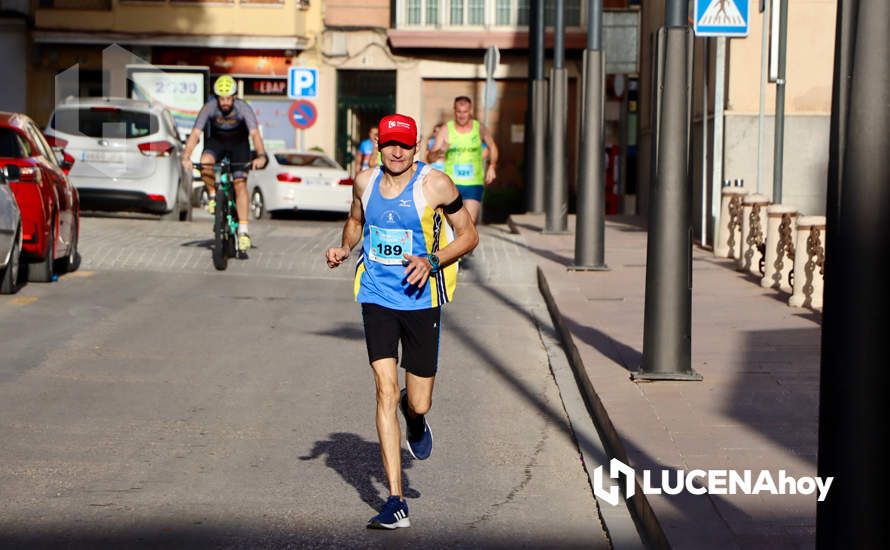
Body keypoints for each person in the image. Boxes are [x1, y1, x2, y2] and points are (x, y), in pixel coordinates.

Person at [325, 114, 478, 529]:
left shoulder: (436, 185)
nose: (397, 152)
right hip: (376, 295)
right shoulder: (365, 182)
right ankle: (395, 500)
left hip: (422, 299)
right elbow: (356, 221)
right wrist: (343, 247)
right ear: (379, 145)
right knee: (384, 390)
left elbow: (468, 236)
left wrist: (431, 260)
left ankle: (417, 418)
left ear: (416, 149)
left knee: (417, 400)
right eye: (390, 144)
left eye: (405, 146)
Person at [182, 75, 268, 252]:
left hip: (240, 145)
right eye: (222, 98)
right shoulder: (209, 107)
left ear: (234, 96)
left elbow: (255, 135)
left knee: (240, 184)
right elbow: (196, 133)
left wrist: (261, 156)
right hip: (218, 143)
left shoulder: (243, 108)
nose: (226, 102)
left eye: (229, 98)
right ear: (217, 97)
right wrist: (186, 156)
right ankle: (213, 196)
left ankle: (243, 232)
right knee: (205, 161)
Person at [429, 96, 498, 226]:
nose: (462, 115)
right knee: (450, 226)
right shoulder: (446, 129)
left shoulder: (479, 128)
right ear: (454, 111)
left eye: (465, 112)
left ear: (470, 111)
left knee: (470, 224)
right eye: (459, 111)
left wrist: (492, 166)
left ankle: (464, 246)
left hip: (473, 183)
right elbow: (430, 158)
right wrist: (440, 151)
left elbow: (492, 147)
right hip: (451, 184)